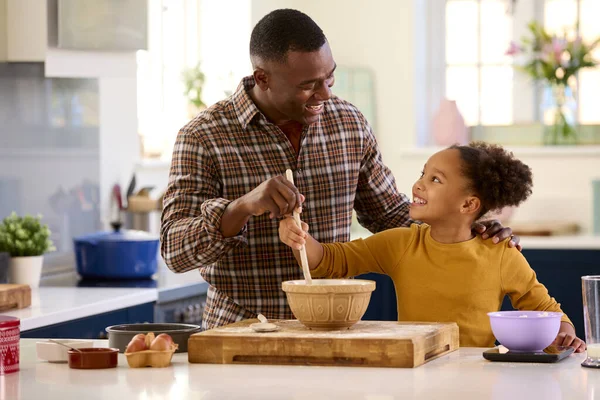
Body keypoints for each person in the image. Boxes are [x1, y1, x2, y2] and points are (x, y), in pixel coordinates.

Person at [160, 9, 518, 330]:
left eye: (329, 78)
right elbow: (175, 251)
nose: (325, 94)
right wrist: (241, 207)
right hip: (241, 333)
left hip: (336, 332)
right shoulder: (203, 136)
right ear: (262, 77)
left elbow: (391, 217)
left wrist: (466, 232)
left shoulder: (348, 123)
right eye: (308, 86)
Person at [279, 142, 585, 351]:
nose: (418, 184)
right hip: (415, 372)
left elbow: (547, 312)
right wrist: (300, 238)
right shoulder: (401, 243)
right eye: (422, 174)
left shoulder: (501, 254)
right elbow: (332, 261)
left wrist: (566, 337)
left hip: (477, 375)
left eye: (435, 179)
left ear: (468, 204)